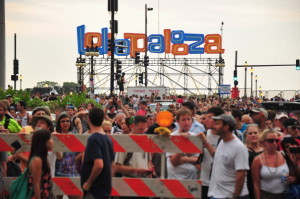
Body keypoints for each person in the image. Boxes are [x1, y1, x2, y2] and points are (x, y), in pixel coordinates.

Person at [199, 114, 249, 199]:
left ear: (226, 127)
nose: (214, 126)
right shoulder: (223, 141)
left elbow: (241, 174)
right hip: (218, 194)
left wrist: (235, 196)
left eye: (217, 124)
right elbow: (217, 156)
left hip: (229, 195)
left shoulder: (239, 147)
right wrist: (206, 143)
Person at [81, 107, 115, 199]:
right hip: (105, 188)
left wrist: (88, 183)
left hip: (95, 190)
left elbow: (99, 164)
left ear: (89, 119)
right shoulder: (108, 139)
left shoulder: (93, 139)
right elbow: (111, 164)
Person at [252, 129, 295, 199]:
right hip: (266, 195)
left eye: (276, 140)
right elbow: (256, 184)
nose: (275, 143)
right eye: (271, 141)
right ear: (263, 142)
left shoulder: (284, 155)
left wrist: (294, 178)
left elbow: (295, 171)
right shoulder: (257, 160)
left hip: (286, 195)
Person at [167, 108, 199, 180]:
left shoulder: (194, 137)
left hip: (192, 179)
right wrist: (183, 144)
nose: (186, 122)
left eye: (188, 119)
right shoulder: (172, 137)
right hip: (175, 179)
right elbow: (174, 162)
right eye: (183, 120)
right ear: (178, 121)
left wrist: (183, 159)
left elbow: (198, 160)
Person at [55, 113, 81, 199]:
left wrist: (74, 159)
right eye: (63, 121)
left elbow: (82, 151)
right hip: (57, 172)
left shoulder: (74, 136)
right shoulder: (55, 136)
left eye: (67, 121)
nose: (65, 123)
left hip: (72, 172)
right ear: (59, 123)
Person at [28, 129, 54, 199]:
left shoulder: (42, 158)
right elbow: (36, 184)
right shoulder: (37, 160)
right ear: (43, 142)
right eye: (50, 139)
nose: (52, 141)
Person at [245, 124, 263, 199]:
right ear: (246, 135)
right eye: (250, 133)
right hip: (249, 184)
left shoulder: (265, 150)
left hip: (264, 185)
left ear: (259, 134)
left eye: (255, 133)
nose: (253, 135)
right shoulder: (243, 150)